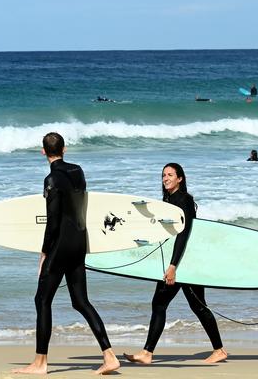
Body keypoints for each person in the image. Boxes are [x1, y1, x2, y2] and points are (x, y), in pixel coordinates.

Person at [13, 132, 119, 375]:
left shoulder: (51, 180)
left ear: (43, 151)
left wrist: (43, 253)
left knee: (42, 300)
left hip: (60, 246)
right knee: (81, 301)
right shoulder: (78, 171)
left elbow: (52, 222)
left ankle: (40, 363)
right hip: (79, 242)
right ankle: (109, 355)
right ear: (65, 149)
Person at [124, 163, 227, 365]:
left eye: (170, 174)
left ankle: (147, 353)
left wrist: (173, 266)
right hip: (183, 261)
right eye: (163, 175)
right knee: (196, 306)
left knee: (163, 303)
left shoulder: (184, 200)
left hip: (184, 262)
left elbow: (183, 234)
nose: (165, 178)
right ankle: (219, 349)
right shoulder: (169, 200)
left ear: (180, 178)